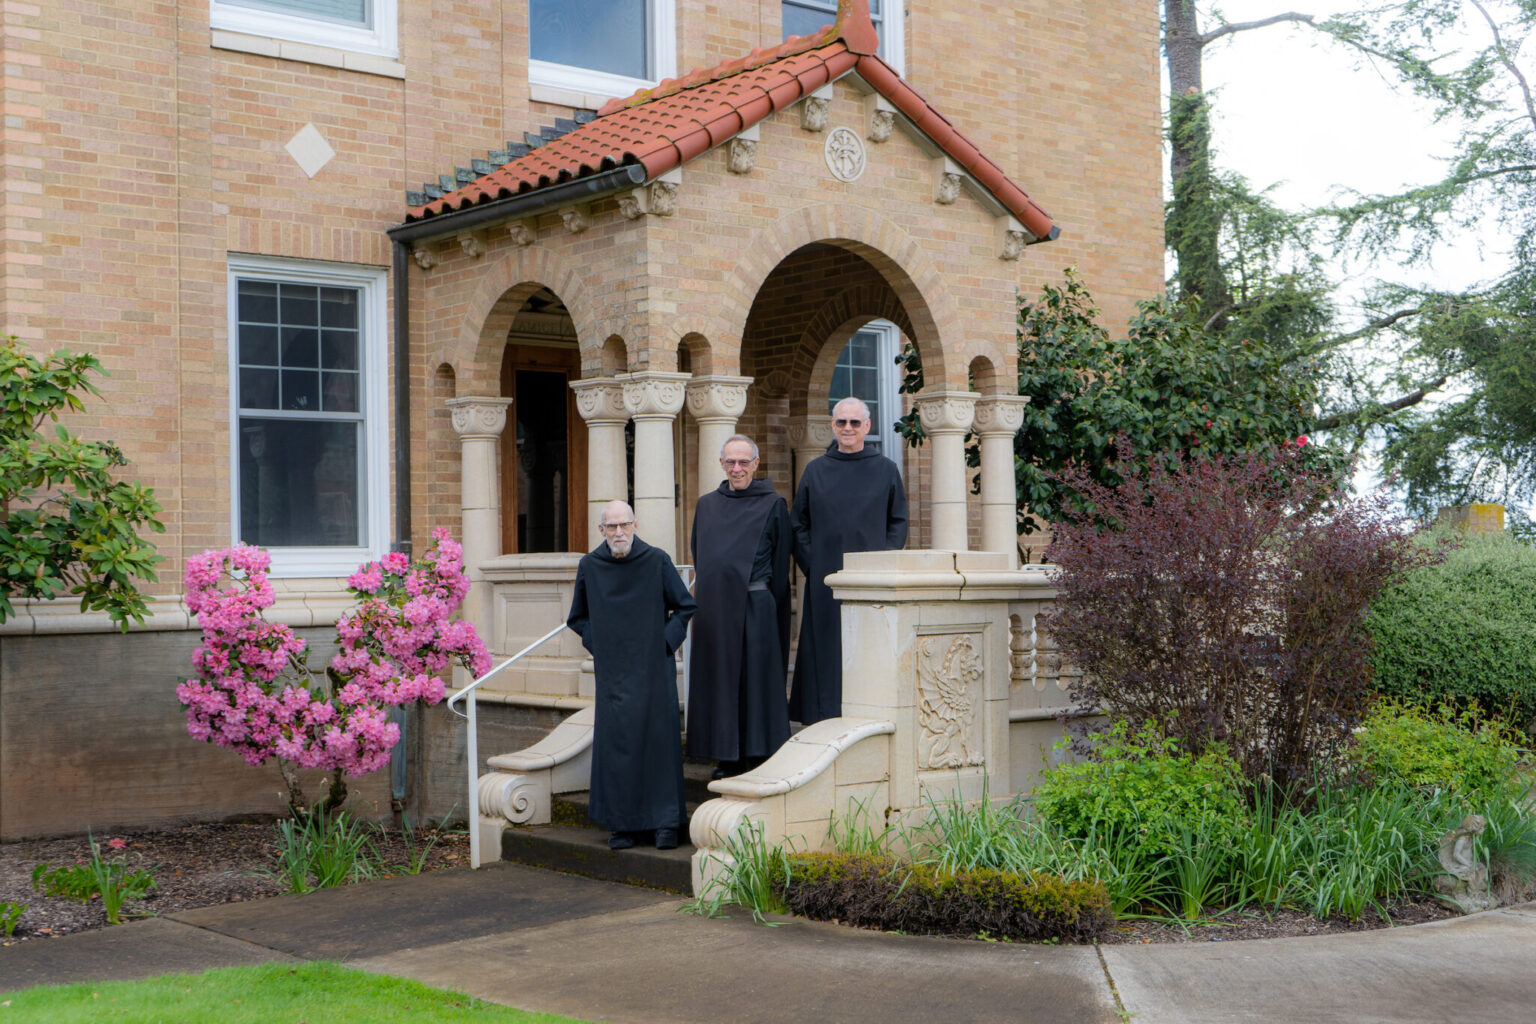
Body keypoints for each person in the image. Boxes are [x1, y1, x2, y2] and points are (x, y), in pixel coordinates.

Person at [566, 500, 697, 850]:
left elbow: (685, 606)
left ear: (635, 525)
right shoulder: (590, 566)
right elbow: (577, 618)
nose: (619, 532)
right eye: (612, 527)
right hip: (614, 675)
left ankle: (665, 824)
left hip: (655, 669)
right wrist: (603, 648)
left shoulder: (657, 560)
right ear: (601, 530)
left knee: (659, 744)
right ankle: (622, 825)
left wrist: (664, 644)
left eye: (624, 525)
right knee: (618, 746)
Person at [789, 396, 908, 724]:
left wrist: (882, 565)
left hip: (871, 580)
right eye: (841, 422)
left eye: (855, 422)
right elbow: (798, 523)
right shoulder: (815, 470)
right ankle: (822, 716)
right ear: (833, 425)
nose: (848, 428)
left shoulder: (886, 470)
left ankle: (869, 714)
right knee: (825, 648)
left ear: (867, 427)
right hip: (825, 577)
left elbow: (897, 521)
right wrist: (813, 565)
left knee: (868, 647)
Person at [686, 435, 792, 779]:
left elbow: (780, 564)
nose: (736, 469)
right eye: (730, 462)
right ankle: (725, 755)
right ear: (721, 464)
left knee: (754, 681)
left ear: (756, 464)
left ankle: (758, 753)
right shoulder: (706, 505)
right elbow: (699, 554)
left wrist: (770, 607)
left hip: (756, 604)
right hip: (714, 609)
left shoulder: (773, 505)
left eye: (743, 462)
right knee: (721, 681)